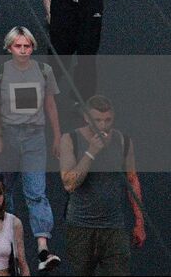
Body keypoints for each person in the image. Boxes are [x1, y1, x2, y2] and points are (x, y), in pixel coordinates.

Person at [0, 26, 61, 272]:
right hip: (10, 139)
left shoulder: (44, 71)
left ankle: (43, 248)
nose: (23, 51)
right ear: (9, 48)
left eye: (27, 46)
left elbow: (51, 105)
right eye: (18, 46)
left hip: (35, 139)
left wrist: (57, 136)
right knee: (4, 190)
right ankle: (9, 242)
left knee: (36, 192)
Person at [58, 95, 143, 275]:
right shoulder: (70, 139)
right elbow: (69, 184)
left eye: (107, 120)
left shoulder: (123, 141)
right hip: (81, 226)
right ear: (86, 118)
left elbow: (133, 180)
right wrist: (91, 152)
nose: (103, 125)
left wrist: (139, 222)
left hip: (114, 227)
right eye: (97, 120)